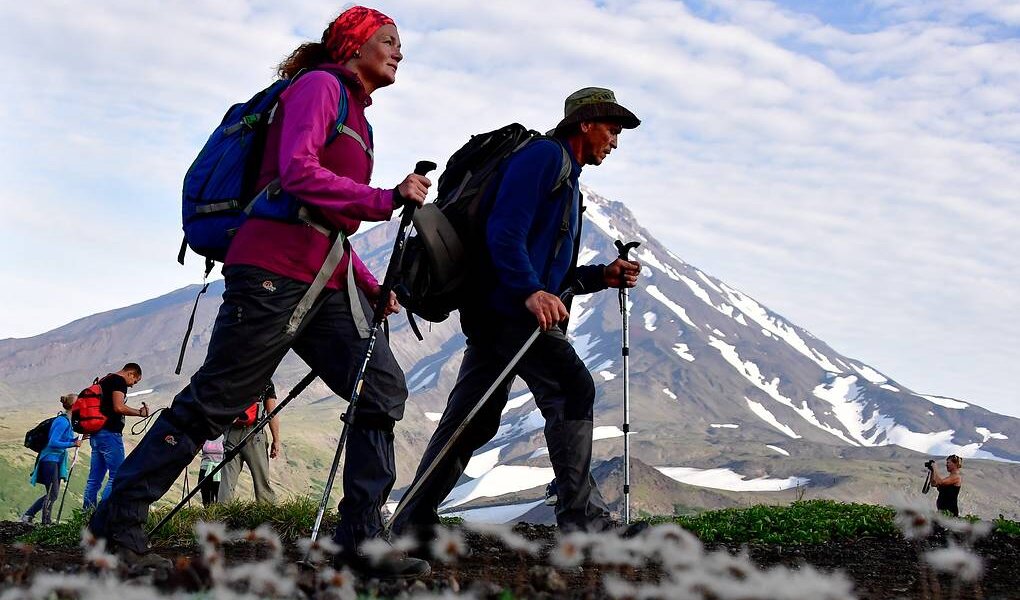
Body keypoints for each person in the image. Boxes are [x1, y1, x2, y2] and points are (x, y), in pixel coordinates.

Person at [88, 6, 431, 578]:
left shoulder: (360, 117)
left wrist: (369, 286)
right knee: (216, 404)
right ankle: (115, 524)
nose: (399, 51)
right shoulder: (319, 87)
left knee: (380, 391)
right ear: (353, 46)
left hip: (324, 279)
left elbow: (331, 225)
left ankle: (362, 541)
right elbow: (297, 174)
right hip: (271, 271)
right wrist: (385, 198)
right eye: (389, 40)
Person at [391, 87, 641, 539]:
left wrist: (600, 275)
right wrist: (528, 291)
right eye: (612, 128)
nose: (616, 140)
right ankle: (581, 521)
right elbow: (503, 230)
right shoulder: (545, 158)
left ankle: (412, 519)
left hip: (498, 309)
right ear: (585, 123)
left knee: (474, 416)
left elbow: (550, 269)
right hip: (511, 312)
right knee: (571, 388)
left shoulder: (566, 175)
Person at [82, 363, 147, 510]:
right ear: (130, 373)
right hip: (110, 433)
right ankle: (102, 514)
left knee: (94, 480)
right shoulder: (119, 381)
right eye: (135, 381)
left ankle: (86, 514)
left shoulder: (105, 380)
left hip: (96, 433)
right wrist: (139, 412)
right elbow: (118, 407)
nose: (132, 385)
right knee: (117, 476)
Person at [21, 394, 82, 524]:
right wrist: (72, 444)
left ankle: (29, 515)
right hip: (49, 459)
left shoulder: (67, 421)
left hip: (55, 460)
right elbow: (53, 442)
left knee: (52, 493)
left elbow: (61, 440)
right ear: (74, 406)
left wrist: (74, 440)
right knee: (53, 493)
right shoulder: (62, 421)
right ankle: (45, 522)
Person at [218, 382, 281, 503]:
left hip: (231, 433)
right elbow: (272, 413)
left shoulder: (232, 375)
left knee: (227, 480)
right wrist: (276, 440)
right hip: (255, 433)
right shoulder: (265, 380)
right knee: (261, 479)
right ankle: (266, 515)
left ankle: (221, 517)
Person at [198, 435, 225, 507]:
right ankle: (208, 514)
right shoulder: (206, 434)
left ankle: (219, 515)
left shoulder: (226, 435)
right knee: (205, 494)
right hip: (205, 468)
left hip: (220, 469)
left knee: (220, 495)